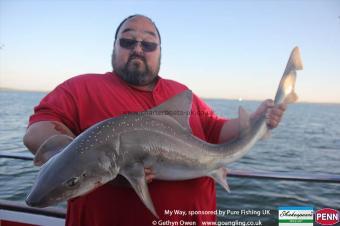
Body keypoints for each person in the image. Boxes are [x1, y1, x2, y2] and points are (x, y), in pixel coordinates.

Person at [23, 14, 286, 226]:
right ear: (114, 46)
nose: (138, 48)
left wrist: (256, 120)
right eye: (127, 41)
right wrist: (68, 152)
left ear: (159, 52)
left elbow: (215, 130)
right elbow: (39, 129)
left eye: (148, 44)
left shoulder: (181, 93)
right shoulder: (81, 87)